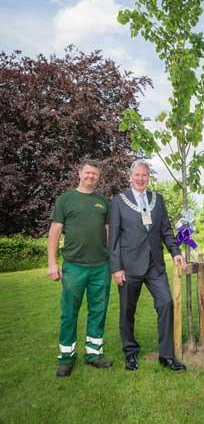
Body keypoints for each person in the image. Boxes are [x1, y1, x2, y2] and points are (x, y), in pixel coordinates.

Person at [109, 160, 187, 371]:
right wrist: (116, 268)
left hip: (155, 265)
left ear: (148, 177)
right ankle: (130, 353)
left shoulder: (157, 199)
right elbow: (113, 238)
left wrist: (176, 252)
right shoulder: (118, 201)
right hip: (128, 266)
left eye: (145, 175)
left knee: (166, 303)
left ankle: (166, 354)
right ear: (130, 177)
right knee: (127, 311)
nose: (141, 179)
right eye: (137, 175)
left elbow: (166, 230)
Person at [47, 159, 112, 377]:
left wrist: (114, 261)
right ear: (79, 173)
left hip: (101, 267)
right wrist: (52, 263)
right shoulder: (65, 200)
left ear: (98, 177)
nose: (91, 176)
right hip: (74, 266)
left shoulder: (103, 202)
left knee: (98, 311)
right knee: (69, 312)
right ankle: (66, 358)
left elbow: (109, 232)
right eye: (87, 172)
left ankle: (94, 354)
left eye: (95, 173)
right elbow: (55, 232)